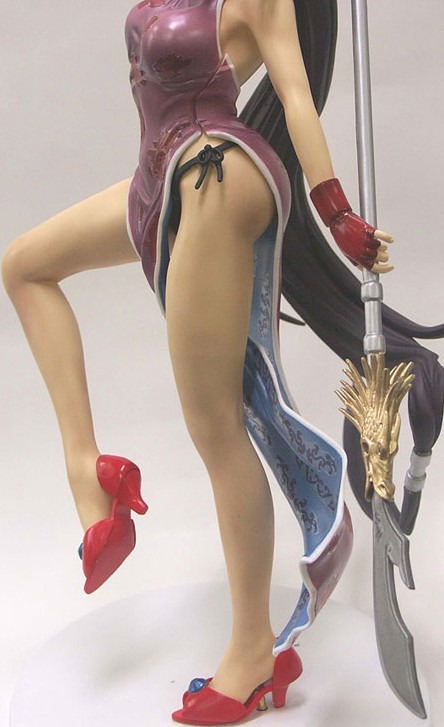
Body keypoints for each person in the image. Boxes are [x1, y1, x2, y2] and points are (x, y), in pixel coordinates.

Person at [2, 0, 443, 724]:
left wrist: (337, 214)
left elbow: (294, 95)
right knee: (25, 266)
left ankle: (251, 651)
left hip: (214, 175)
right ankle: (90, 473)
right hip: (158, 178)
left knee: (217, 424)